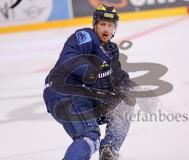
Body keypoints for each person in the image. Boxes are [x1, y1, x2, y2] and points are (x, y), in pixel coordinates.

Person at [43, 4, 135, 160]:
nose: (106, 29)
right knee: (89, 136)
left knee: (123, 105)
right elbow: (69, 58)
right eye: (102, 24)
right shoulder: (86, 36)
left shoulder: (111, 50)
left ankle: (109, 151)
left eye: (110, 25)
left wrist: (128, 86)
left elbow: (117, 76)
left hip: (83, 96)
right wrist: (91, 71)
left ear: (114, 28)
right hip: (63, 92)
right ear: (95, 25)